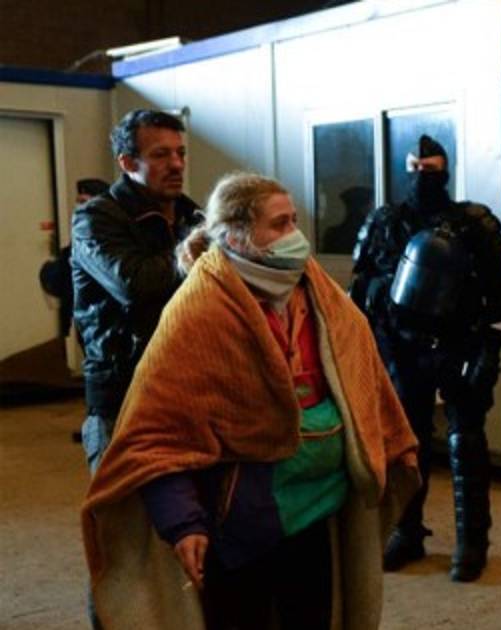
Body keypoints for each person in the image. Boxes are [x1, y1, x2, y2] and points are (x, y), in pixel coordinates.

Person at [81, 172, 421, 629]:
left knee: (315, 618)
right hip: (242, 525)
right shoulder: (198, 313)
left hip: (320, 515)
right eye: (279, 224)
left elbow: (365, 384)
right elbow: (157, 434)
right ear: (236, 236)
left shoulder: (320, 294)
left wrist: (391, 445)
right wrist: (183, 523)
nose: (296, 235)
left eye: (294, 220)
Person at [351, 134, 501, 582]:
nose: (421, 176)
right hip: (403, 347)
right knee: (408, 444)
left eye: (431, 169)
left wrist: (489, 351)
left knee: (466, 442)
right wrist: (380, 302)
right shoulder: (385, 222)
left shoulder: (474, 224)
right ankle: (406, 531)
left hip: (459, 344)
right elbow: (359, 286)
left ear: (446, 170)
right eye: (415, 168)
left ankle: (472, 541)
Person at [72, 109, 202, 475]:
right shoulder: (96, 219)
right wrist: (195, 251)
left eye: (180, 153)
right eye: (161, 154)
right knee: (124, 502)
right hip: (123, 393)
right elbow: (134, 284)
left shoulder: (194, 217)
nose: (176, 164)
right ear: (127, 162)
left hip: (188, 385)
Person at [40, 178, 109, 338]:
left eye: (84, 202)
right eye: (78, 202)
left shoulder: (107, 237)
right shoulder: (81, 233)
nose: (79, 209)